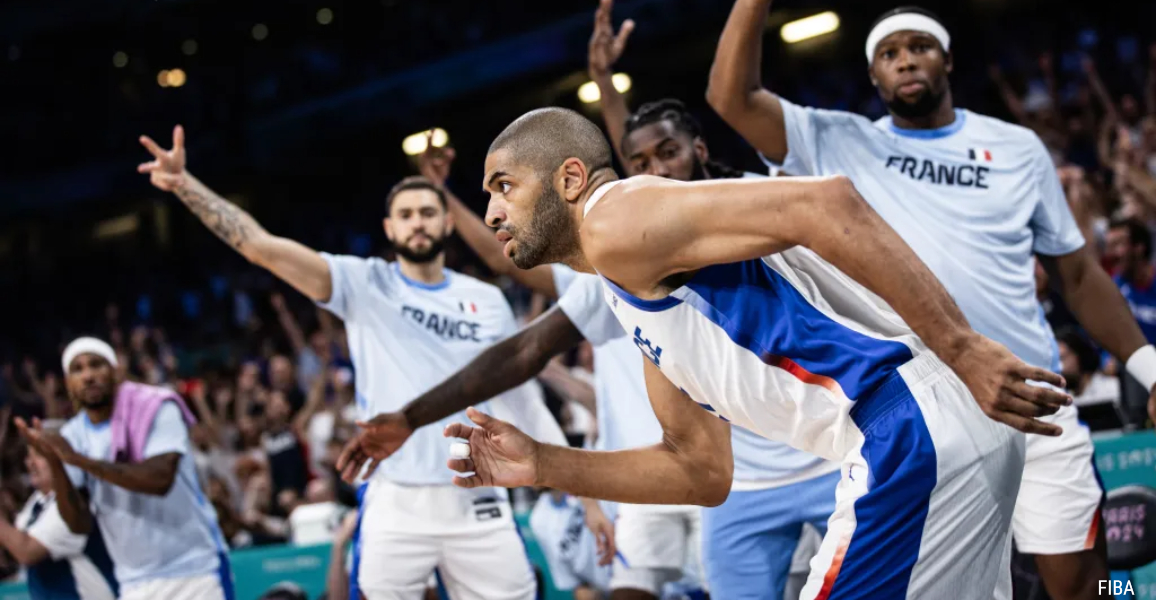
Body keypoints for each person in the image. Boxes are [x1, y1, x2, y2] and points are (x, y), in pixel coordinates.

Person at [364, 107, 1069, 599]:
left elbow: (827, 201)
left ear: (570, 180)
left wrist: (963, 346)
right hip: (936, 432)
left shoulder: (615, 218)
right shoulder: (629, 281)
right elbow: (699, 471)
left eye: (503, 187)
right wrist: (546, 465)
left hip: (906, 429)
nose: (491, 213)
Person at [705, 3, 1156, 598]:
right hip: (929, 415)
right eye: (888, 54)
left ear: (947, 59)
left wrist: (1149, 369)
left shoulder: (1016, 147)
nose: (905, 61)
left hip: (1034, 396)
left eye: (919, 47)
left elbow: (1075, 274)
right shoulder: (837, 140)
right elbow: (731, 97)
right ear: (873, 76)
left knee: (1088, 585)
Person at [136, 125, 563, 600]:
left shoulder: (486, 300)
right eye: (405, 215)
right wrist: (185, 185)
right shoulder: (364, 282)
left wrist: (572, 486)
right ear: (389, 229)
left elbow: (521, 395)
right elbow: (260, 246)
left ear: (447, 223)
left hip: (477, 489)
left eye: (428, 213)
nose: (417, 223)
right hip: (395, 496)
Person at [15, 337, 234, 600]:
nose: (88, 376)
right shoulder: (74, 434)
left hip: (196, 569)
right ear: (68, 383)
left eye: (96, 365)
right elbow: (79, 524)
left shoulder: (157, 406)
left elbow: (159, 479)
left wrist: (78, 460)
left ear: (116, 370)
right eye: (78, 369)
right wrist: (56, 462)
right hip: (134, 582)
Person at [0, 446, 118, 600]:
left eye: (39, 455)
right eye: (28, 456)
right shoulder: (39, 500)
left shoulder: (73, 506)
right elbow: (11, 549)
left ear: (63, 459)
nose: (30, 463)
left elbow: (27, 551)